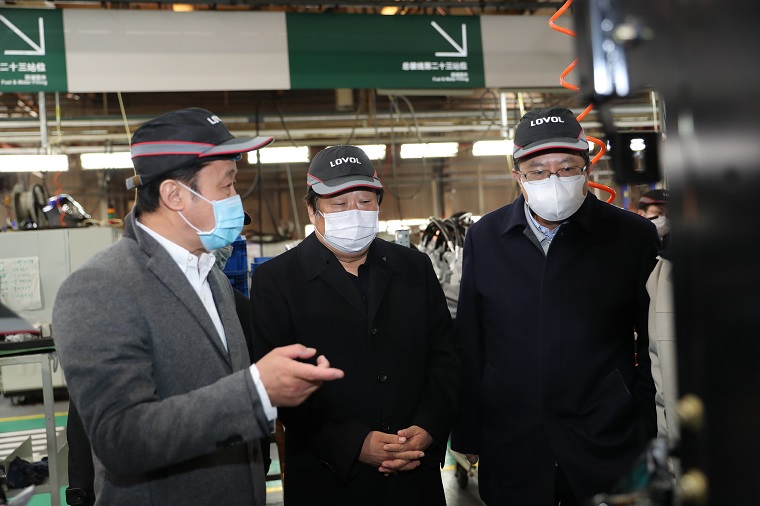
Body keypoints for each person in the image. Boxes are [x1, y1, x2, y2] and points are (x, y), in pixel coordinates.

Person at [53, 108, 344, 506]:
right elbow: (120, 438)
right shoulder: (99, 288)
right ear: (174, 195)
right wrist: (255, 392)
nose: (236, 199)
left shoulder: (212, 278)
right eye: (227, 185)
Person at [450, 107, 659, 505]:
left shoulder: (632, 236)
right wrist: (468, 431)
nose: (554, 179)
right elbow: (471, 342)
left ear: (586, 169)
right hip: (514, 440)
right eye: (538, 171)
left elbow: (654, 341)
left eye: (566, 168)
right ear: (518, 176)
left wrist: (645, 421)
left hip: (607, 437)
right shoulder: (486, 238)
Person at [248, 145, 460, 506]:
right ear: (312, 210)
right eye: (339, 204)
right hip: (329, 481)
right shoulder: (277, 281)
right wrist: (354, 443)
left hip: (414, 477)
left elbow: (445, 356)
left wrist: (429, 426)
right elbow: (281, 386)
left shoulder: (414, 268)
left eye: (364, 202)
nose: (355, 213)